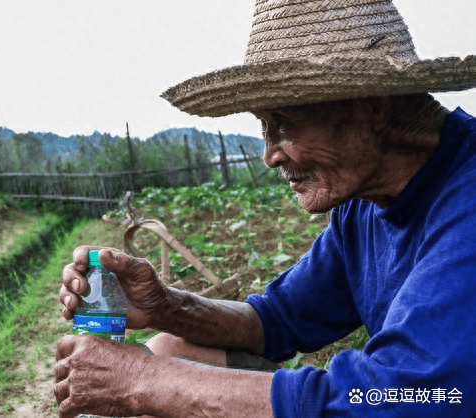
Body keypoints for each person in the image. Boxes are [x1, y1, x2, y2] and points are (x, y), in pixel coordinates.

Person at [55, 0, 476, 417]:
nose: (270, 155)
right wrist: (164, 307)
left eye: (284, 124)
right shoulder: (365, 204)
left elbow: (409, 397)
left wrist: (142, 381)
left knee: (164, 376)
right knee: (172, 347)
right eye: (264, 127)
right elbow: (276, 319)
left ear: (372, 105)